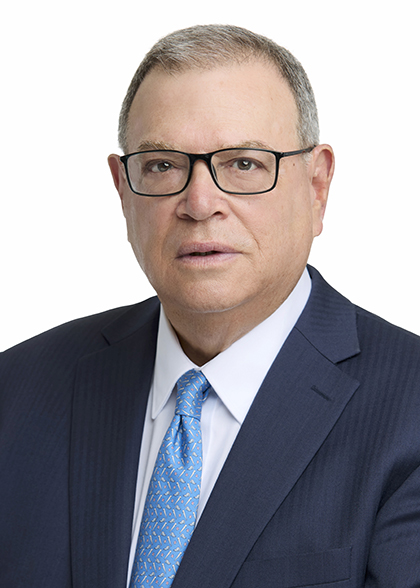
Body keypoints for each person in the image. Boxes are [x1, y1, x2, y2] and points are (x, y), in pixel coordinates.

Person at [1, 23, 420, 588]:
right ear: (122, 189)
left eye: (244, 164)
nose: (199, 203)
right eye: (162, 165)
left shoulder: (409, 410)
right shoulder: (18, 389)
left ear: (317, 186)